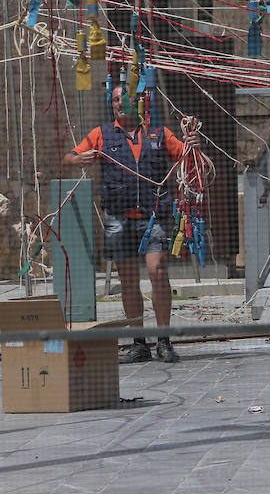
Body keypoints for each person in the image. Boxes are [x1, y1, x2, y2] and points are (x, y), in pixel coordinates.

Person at [63, 85, 198, 363]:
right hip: (118, 217)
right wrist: (79, 159)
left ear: (140, 103)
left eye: (125, 99)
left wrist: (193, 144)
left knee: (157, 271)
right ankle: (139, 343)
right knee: (128, 280)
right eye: (115, 100)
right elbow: (69, 157)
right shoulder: (101, 134)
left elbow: (187, 156)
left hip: (154, 215)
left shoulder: (159, 134)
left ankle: (163, 340)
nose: (120, 104)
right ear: (111, 105)